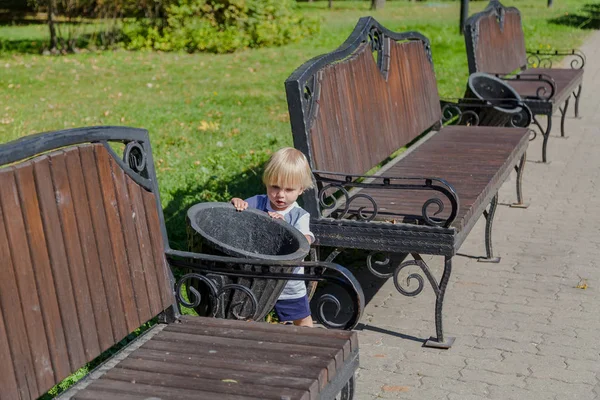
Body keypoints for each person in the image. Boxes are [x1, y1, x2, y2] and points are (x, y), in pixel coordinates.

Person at [231, 147, 314, 327]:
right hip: (256, 279)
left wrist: (284, 228)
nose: (280, 195)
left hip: (287, 283)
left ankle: (310, 343)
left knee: (301, 316)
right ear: (267, 182)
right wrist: (236, 202)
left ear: (301, 189)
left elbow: (305, 242)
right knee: (247, 314)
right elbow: (234, 217)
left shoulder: (299, 215)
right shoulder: (258, 202)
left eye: (289, 189)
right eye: (275, 186)